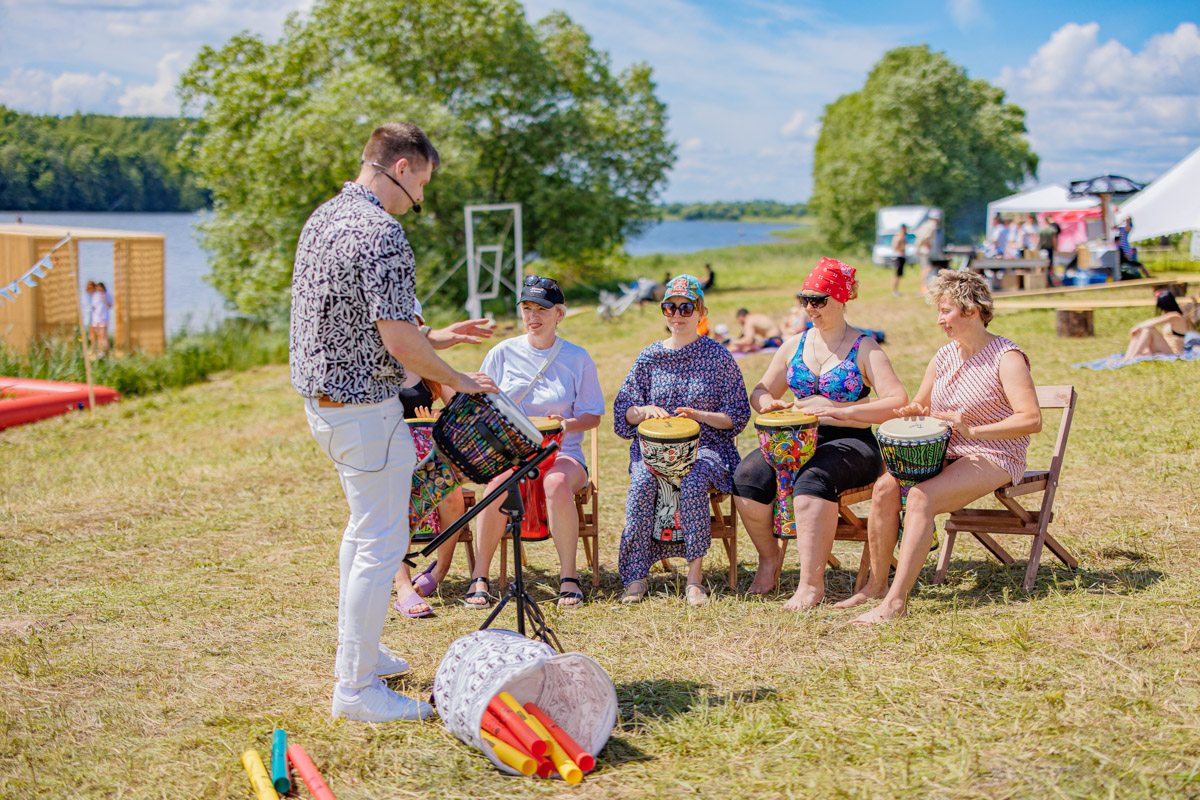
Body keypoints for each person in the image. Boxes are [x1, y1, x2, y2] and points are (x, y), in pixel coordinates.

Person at [290, 122, 497, 722]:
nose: (421, 201)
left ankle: (363, 652)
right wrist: (458, 377)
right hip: (365, 411)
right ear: (402, 168)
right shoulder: (382, 232)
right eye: (422, 185)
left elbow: (358, 324)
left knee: (363, 533)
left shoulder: (324, 218)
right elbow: (399, 344)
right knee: (382, 543)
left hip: (326, 405)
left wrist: (437, 336)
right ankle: (354, 690)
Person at [838, 270, 1041, 623]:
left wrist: (974, 430)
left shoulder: (1006, 357)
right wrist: (914, 410)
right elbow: (922, 404)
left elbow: (1031, 419)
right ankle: (875, 586)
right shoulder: (945, 356)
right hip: (947, 451)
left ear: (972, 310)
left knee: (920, 497)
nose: (939, 320)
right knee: (886, 487)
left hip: (995, 454)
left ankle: (895, 604)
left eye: (946, 311)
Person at [732, 258, 907, 608]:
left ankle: (811, 584)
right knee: (746, 478)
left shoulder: (865, 347)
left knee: (812, 479)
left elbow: (897, 401)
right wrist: (767, 402)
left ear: (842, 299)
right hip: (795, 439)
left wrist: (841, 410)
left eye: (818, 300)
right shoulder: (794, 345)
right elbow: (761, 389)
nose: (809, 308)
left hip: (851, 441)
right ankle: (769, 560)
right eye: (805, 299)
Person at [463, 275, 604, 610]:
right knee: (496, 485)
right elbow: (482, 407)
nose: (533, 315)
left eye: (542, 308)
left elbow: (593, 415)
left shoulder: (576, 358)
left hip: (563, 452)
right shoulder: (502, 353)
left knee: (555, 484)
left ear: (559, 314)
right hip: (514, 454)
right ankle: (479, 576)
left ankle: (569, 577)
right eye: (527, 308)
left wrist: (566, 424)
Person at [613, 274, 750, 607]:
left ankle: (694, 579)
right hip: (653, 450)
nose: (677, 314)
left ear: (700, 311)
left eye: (685, 308)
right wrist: (644, 410)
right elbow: (622, 412)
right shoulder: (649, 358)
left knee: (691, 479)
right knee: (644, 481)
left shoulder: (718, 358)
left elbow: (737, 416)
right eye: (669, 307)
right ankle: (635, 577)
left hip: (707, 448)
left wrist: (700, 416)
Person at [390, 301, 472, 620]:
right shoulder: (378, 368)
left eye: (414, 322)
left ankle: (439, 571)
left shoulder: (428, 364)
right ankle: (403, 584)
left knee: (450, 495)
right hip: (391, 453)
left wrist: (440, 415)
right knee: (402, 495)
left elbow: (459, 408)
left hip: (429, 451)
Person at [1123, 290, 1199, 359]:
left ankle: (1132, 357)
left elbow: (1154, 322)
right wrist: (1138, 328)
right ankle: (1128, 357)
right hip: (1164, 348)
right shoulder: (1171, 316)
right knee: (1141, 331)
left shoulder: (1175, 316)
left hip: (1173, 352)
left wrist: (1137, 326)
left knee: (1149, 330)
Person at [914, 211, 943, 294]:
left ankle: (925, 287)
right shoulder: (932, 225)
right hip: (926, 250)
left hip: (923, 250)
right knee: (926, 269)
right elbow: (925, 238)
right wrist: (929, 245)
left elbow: (917, 233)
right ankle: (923, 288)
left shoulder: (925, 224)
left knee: (926, 268)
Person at [89, 281, 112, 356]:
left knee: (103, 335)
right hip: (96, 318)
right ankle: (98, 350)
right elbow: (93, 306)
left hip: (104, 317)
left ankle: (105, 350)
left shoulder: (107, 295)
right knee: (97, 335)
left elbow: (110, 306)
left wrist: (104, 299)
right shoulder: (95, 295)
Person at [890, 224, 908, 297]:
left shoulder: (903, 236)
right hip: (899, 256)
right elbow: (895, 246)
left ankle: (896, 291)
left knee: (899, 275)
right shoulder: (899, 236)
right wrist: (901, 248)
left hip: (902, 256)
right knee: (896, 275)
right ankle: (894, 291)